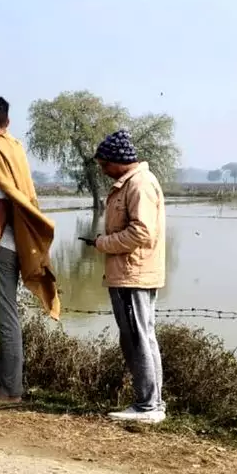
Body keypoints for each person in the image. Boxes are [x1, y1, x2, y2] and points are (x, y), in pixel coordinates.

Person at [0, 96, 61, 410]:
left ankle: (11, 390)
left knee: (6, 318)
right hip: (18, 241)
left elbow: (1, 206)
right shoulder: (15, 149)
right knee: (6, 316)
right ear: (7, 122)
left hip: (3, 246)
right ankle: (2, 377)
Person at [87, 129, 167, 423]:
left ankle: (148, 407)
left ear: (118, 161)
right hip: (130, 271)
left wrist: (102, 244)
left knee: (138, 339)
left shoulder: (139, 185)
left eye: (104, 164)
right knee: (140, 337)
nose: (103, 170)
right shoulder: (131, 183)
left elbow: (142, 232)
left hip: (133, 272)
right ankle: (152, 402)